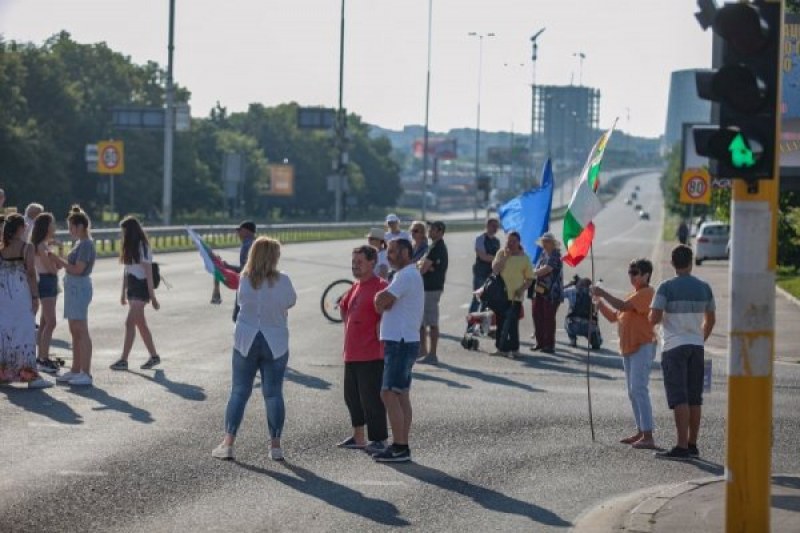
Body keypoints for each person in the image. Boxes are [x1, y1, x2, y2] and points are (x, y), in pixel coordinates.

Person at [212, 237, 296, 461]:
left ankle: (228, 443)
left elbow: (241, 303)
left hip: (246, 339)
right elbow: (290, 302)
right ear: (274, 257)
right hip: (275, 341)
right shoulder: (284, 280)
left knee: (239, 391)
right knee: (273, 393)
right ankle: (275, 446)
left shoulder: (245, 280)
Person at [650, 245, 715, 460]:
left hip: (674, 346)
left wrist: (652, 320)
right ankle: (692, 444)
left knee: (680, 397)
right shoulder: (704, 287)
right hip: (697, 346)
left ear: (672, 263)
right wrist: (700, 338)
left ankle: (681, 447)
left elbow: (655, 318)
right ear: (691, 262)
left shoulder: (666, 287)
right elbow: (711, 319)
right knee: (695, 398)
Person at [593, 259, 658, 449]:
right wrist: (600, 302)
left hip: (642, 346)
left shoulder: (647, 292)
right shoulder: (634, 294)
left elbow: (622, 307)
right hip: (630, 348)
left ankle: (648, 435)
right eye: (630, 272)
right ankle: (641, 430)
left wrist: (603, 293)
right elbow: (615, 317)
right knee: (632, 391)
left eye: (635, 272)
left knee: (639, 388)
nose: (631, 276)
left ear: (646, 275)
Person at [373, 238, 424, 462]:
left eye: (392, 251)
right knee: (401, 394)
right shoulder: (406, 275)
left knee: (389, 392)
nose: (389, 256)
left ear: (405, 252)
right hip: (404, 340)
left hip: (401, 341)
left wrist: (378, 298)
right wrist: (382, 300)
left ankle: (400, 446)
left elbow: (383, 300)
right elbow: (387, 302)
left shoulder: (405, 275)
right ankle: (401, 444)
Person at [336, 245, 389, 455]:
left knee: (371, 398)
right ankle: (358, 436)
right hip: (352, 351)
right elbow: (343, 307)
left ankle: (379, 439)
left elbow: (389, 313)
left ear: (372, 263)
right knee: (351, 397)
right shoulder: (356, 285)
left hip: (371, 353)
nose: (355, 266)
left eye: (359, 262)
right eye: (353, 262)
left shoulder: (381, 285)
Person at [0, 214, 52, 388]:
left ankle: (4, 372)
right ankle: (28, 374)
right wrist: (35, 297)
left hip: (4, 295)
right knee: (25, 331)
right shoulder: (27, 247)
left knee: (5, 332)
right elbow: (30, 273)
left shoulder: (2, 248)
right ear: (21, 228)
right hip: (21, 294)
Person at [49, 206, 96, 387]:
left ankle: (86, 372)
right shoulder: (79, 243)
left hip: (79, 287)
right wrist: (59, 253)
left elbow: (78, 269)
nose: (69, 231)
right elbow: (70, 265)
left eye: (71, 227)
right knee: (74, 330)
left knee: (81, 330)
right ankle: (76, 369)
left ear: (81, 226)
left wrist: (56, 259)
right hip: (73, 287)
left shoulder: (85, 244)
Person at [109, 216, 162, 371]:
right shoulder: (129, 247)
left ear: (131, 231)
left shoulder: (142, 246)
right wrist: (122, 293)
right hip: (132, 287)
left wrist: (152, 297)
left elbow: (148, 273)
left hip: (141, 288)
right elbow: (127, 271)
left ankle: (124, 360)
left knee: (129, 323)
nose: (122, 235)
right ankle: (154, 356)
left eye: (124, 231)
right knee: (140, 324)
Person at [491, 231, 533, 358]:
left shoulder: (525, 258)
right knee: (500, 322)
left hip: (515, 296)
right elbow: (495, 270)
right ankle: (501, 348)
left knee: (513, 323)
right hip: (500, 294)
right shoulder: (501, 253)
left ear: (519, 242)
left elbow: (530, 279)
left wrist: (522, 289)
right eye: (509, 241)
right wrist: (505, 257)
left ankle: (515, 349)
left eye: (514, 241)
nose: (511, 243)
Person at [31, 213, 64, 374]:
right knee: (51, 322)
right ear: (46, 227)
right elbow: (52, 268)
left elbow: (58, 267)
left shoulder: (45, 244)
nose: (54, 227)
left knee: (45, 322)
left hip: (50, 281)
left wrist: (58, 253)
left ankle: (41, 356)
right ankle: (42, 358)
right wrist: (55, 259)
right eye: (52, 224)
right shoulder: (40, 246)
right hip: (45, 281)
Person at [417, 221, 448, 365]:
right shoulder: (433, 246)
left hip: (431, 288)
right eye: (430, 228)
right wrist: (424, 266)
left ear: (440, 232)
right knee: (421, 322)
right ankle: (423, 350)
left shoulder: (437, 247)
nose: (430, 231)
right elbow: (423, 265)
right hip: (426, 287)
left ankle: (432, 353)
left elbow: (422, 268)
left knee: (431, 322)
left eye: (433, 229)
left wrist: (423, 266)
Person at [531, 232, 563, 354]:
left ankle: (549, 344)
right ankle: (540, 342)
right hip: (540, 289)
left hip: (552, 292)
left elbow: (547, 269)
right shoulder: (544, 254)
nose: (544, 244)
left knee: (548, 318)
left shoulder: (556, 255)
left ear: (552, 243)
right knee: (537, 314)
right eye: (544, 241)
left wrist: (532, 273)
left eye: (547, 241)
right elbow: (539, 268)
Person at [211, 220, 256, 306]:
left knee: (238, 315)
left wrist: (227, 267)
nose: (238, 233)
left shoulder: (247, 245)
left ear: (247, 231)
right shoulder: (256, 243)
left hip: (247, 284)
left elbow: (245, 269)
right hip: (257, 284)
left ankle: (216, 296)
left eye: (240, 231)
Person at [469, 217, 501, 314]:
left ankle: (483, 326)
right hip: (480, 273)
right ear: (487, 226)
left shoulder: (497, 241)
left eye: (497, 226)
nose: (495, 228)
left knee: (487, 301)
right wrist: (497, 259)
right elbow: (483, 256)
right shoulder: (480, 238)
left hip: (491, 275)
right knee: (477, 299)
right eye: (493, 226)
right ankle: (471, 326)